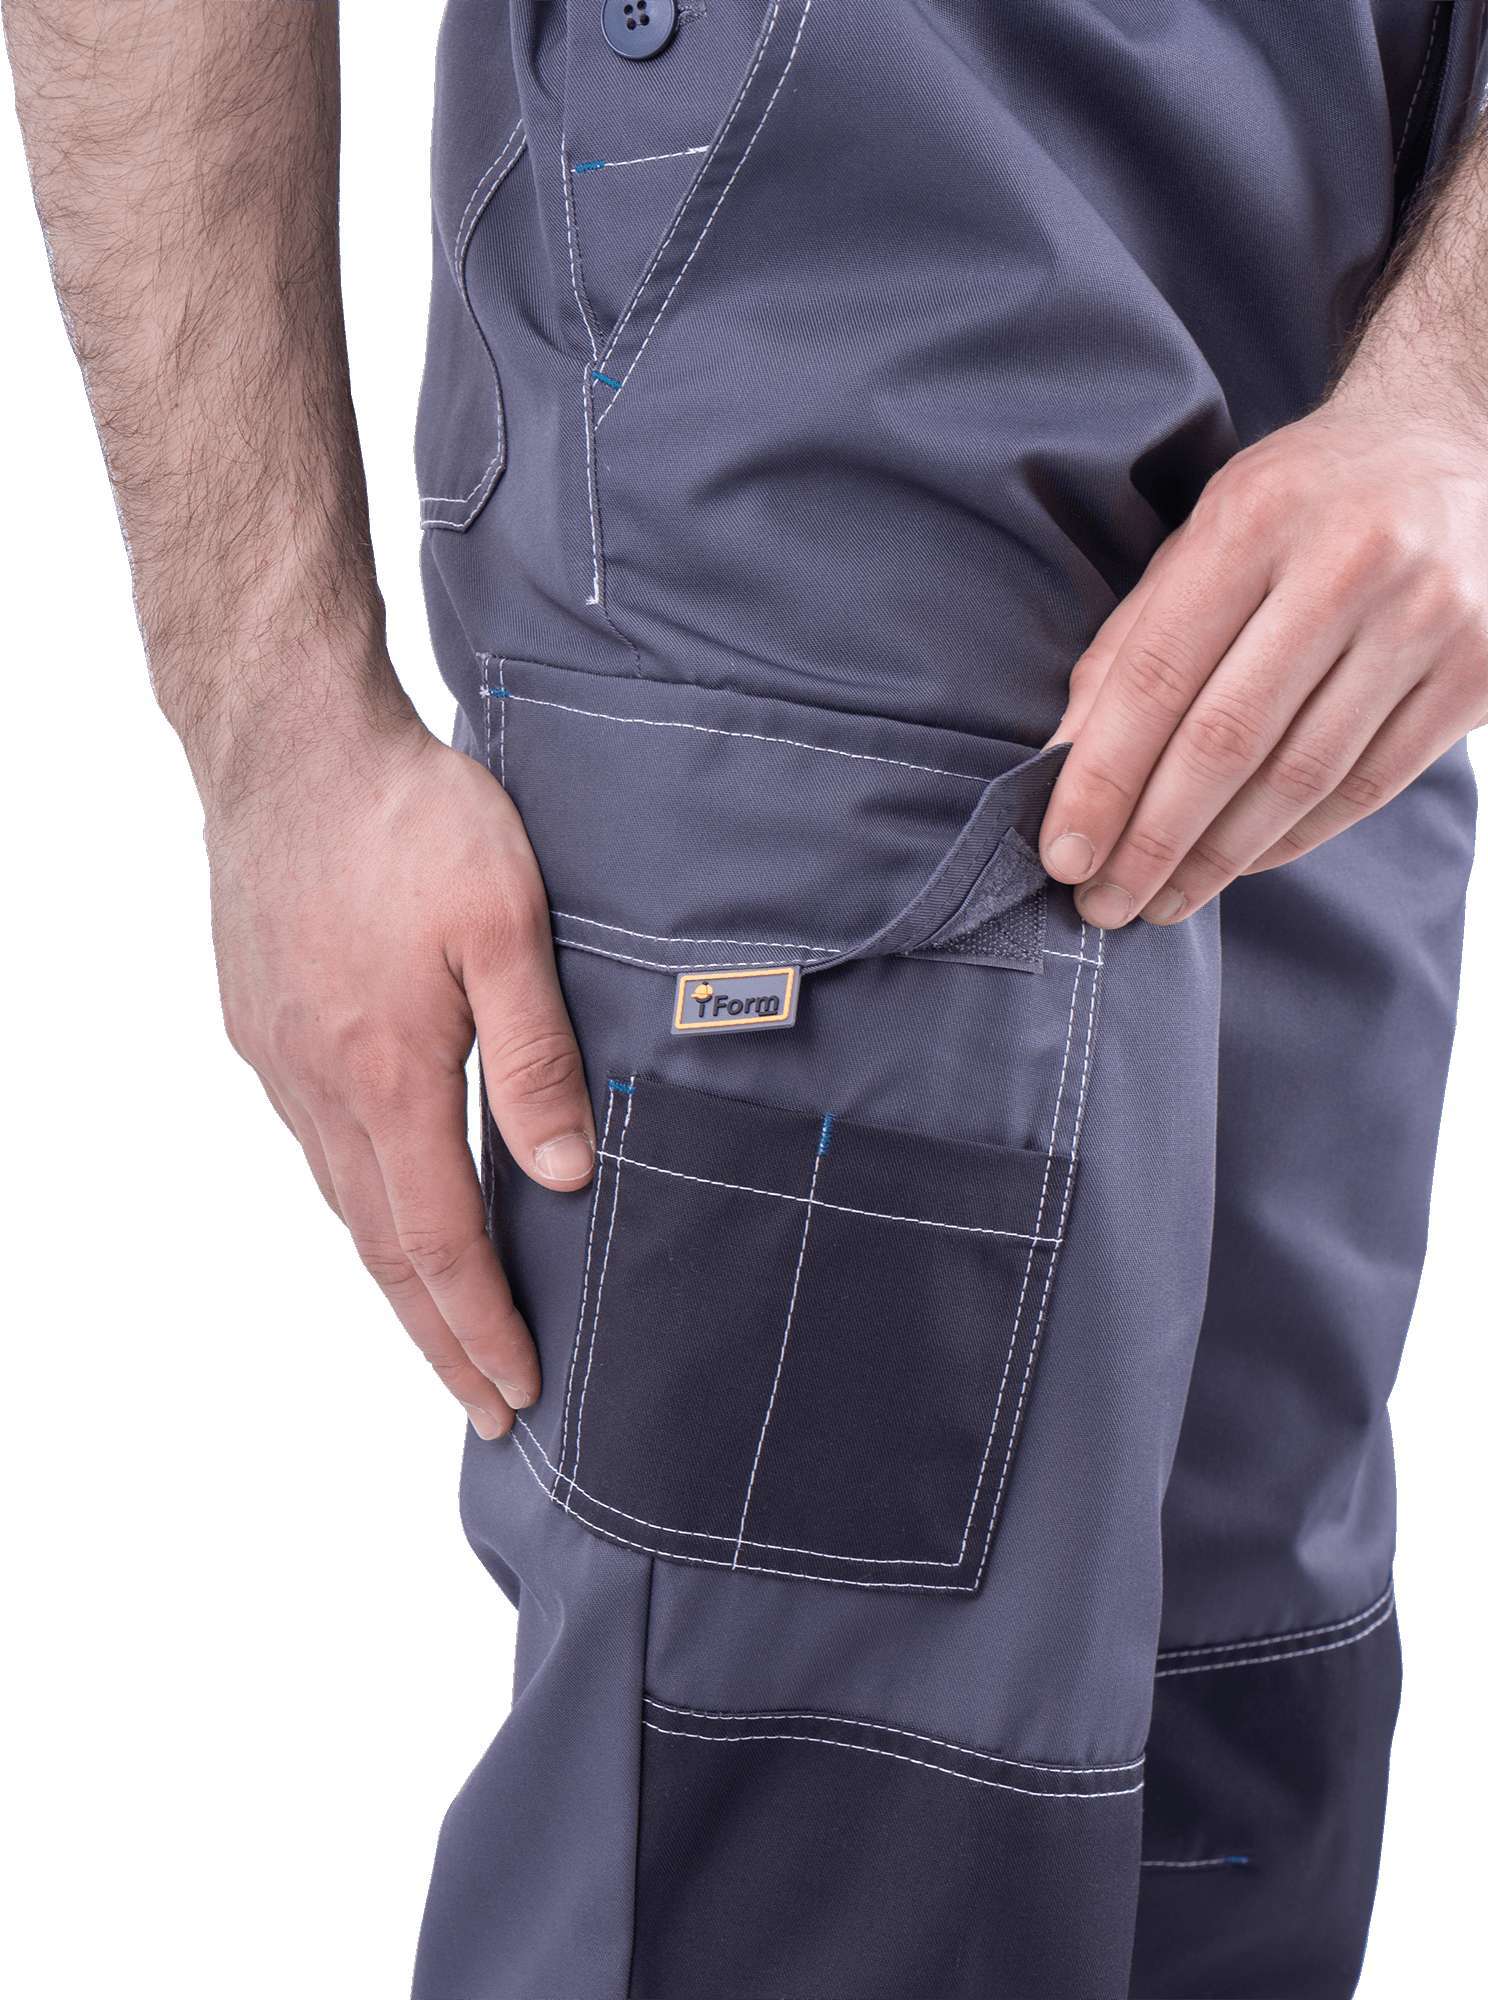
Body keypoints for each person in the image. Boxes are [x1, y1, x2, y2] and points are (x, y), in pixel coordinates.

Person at [7, 3, 1486, 1995]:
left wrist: (1457, 396)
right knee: (798, 1860)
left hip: (1360, 411)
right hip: (803, 435)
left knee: (1228, 1769)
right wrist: (276, 719)